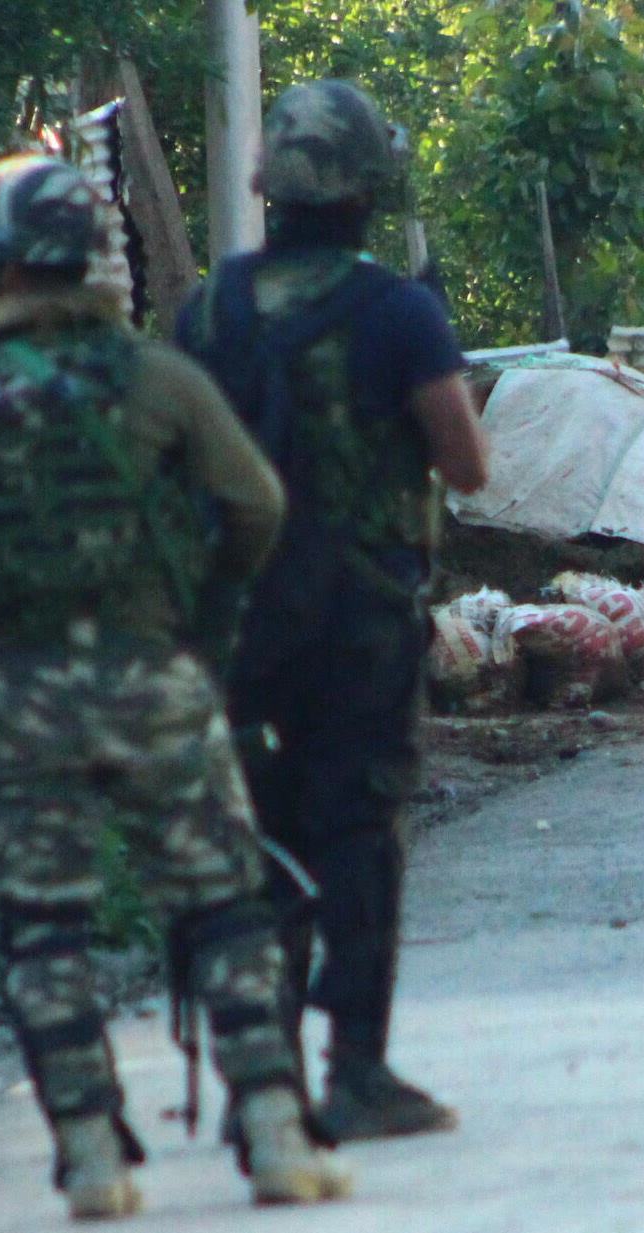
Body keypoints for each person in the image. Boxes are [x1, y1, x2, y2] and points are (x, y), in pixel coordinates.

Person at [0, 154, 349, 1219]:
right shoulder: (158, 380)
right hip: (158, 686)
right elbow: (256, 507)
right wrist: (200, 633)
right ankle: (272, 1137)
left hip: (23, 702)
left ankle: (89, 1157)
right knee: (223, 907)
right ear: (90, 260)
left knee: (46, 931)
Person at [176, 80, 490, 1143]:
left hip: (237, 626)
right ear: (364, 190)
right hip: (361, 623)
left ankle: (260, 1082)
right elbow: (469, 466)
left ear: (273, 189)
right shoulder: (399, 309)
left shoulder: (207, 307)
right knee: (358, 830)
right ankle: (356, 1070)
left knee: (256, 837)